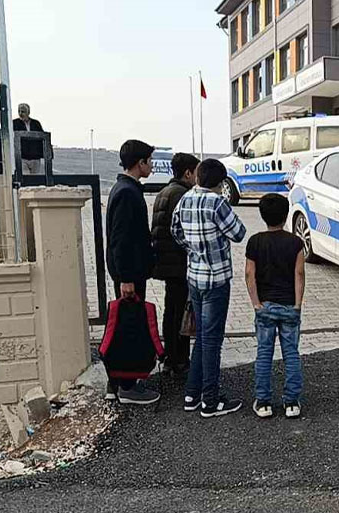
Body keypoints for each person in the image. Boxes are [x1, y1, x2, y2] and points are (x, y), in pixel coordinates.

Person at [171, 158, 246, 418]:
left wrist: (195, 250)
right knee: (212, 341)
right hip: (217, 279)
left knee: (201, 338)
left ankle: (192, 394)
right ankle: (211, 402)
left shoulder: (185, 199)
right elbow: (239, 233)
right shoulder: (218, 203)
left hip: (194, 277)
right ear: (220, 181)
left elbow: (176, 232)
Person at [105, 139, 159, 405]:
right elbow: (121, 239)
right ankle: (127, 386)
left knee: (125, 325)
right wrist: (126, 277)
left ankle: (115, 382)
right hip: (129, 274)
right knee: (129, 329)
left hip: (130, 271)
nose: (152, 164)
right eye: (150, 160)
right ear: (140, 163)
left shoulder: (125, 188)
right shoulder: (127, 192)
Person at [244, 194, 305, 419]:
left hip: (265, 306)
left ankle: (263, 402)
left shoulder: (255, 241)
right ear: (286, 214)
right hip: (289, 305)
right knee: (291, 354)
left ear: (262, 215)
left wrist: (256, 303)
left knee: (264, 354)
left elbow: (250, 274)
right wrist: (298, 304)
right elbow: (299, 274)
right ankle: (291, 402)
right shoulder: (295, 242)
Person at [150, 152, 199, 376]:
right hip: (179, 263)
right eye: (196, 172)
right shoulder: (182, 195)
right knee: (181, 313)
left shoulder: (165, 192)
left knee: (171, 311)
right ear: (188, 173)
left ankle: (171, 356)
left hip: (166, 262)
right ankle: (179, 359)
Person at [13, 103, 47, 175]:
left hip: (35, 157)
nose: (20, 113)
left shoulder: (36, 123)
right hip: (22, 157)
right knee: (26, 177)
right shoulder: (14, 123)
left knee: (35, 178)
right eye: (19, 111)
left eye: (23, 111)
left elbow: (42, 137)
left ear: (28, 112)